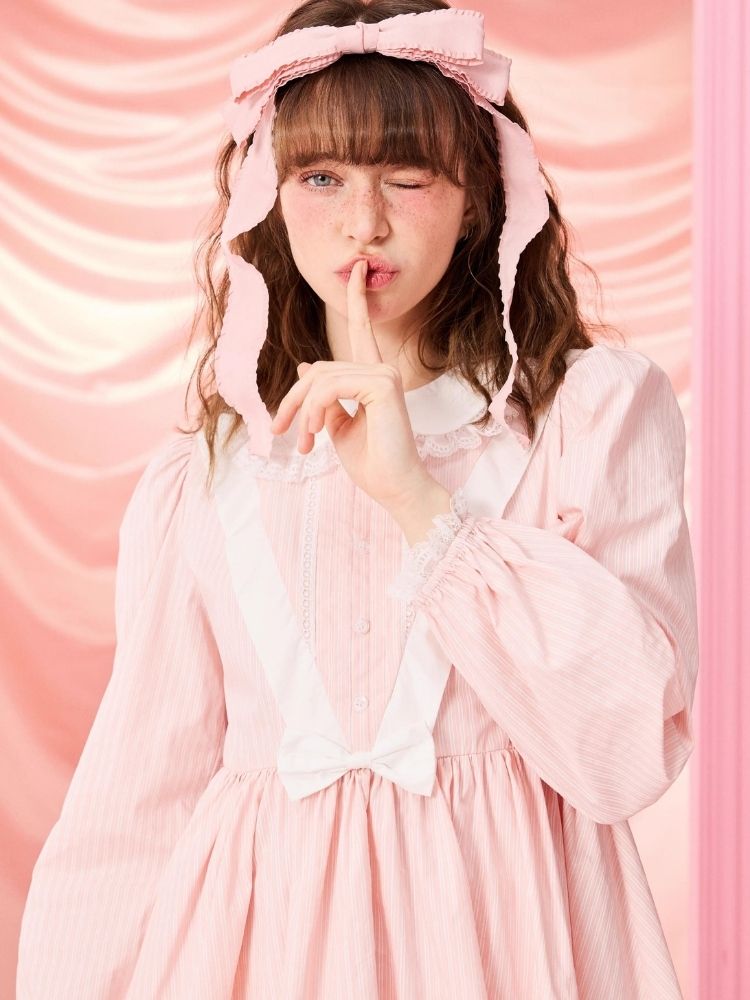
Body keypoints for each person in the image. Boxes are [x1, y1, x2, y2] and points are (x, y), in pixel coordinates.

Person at [16, 1, 699, 997]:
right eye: (321, 176)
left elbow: (625, 752)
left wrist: (420, 503)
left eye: (407, 176)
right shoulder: (208, 471)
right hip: (253, 954)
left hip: (504, 947)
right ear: (268, 192)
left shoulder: (584, 416)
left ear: (477, 197)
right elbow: (133, 808)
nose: (362, 222)